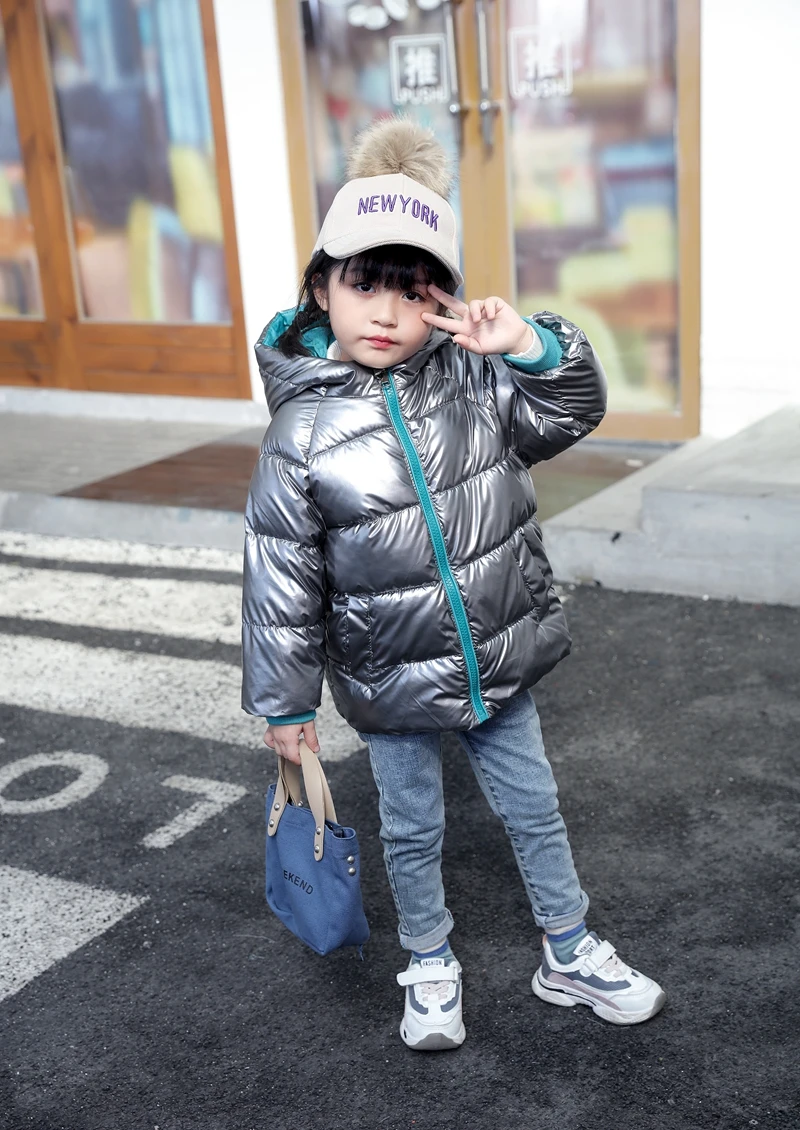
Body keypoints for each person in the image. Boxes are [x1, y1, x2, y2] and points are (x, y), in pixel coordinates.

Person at [241, 118, 665, 1051]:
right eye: (364, 285)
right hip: (388, 675)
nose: (386, 314)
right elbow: (280, 576)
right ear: (320, 287)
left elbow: (573, 409)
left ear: (441, 298)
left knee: (535, 809)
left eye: (411, 289)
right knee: (412, 826)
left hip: (496, 655)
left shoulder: (476, 382)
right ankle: (429, 958)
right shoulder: (300, 434)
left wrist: (527, 345)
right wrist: (286, 704)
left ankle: (567, 947)